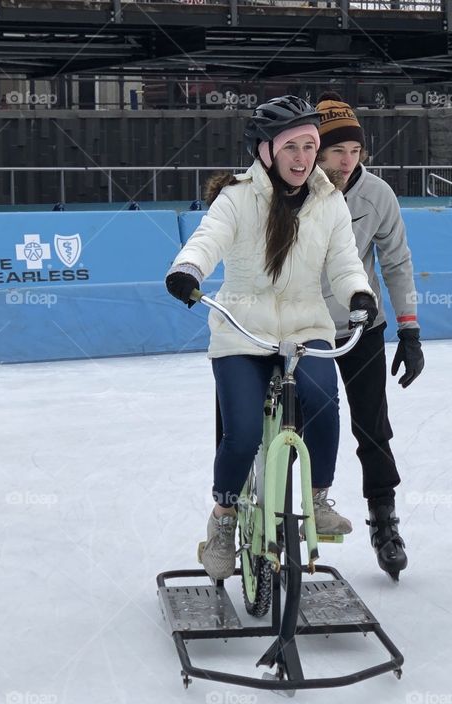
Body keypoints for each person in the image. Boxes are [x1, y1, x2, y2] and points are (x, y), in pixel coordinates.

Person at [164, 95, 377, 581]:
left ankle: (318, 499)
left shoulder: (329, 202)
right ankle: (223, 519)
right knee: (241, 432)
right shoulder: (237, 197)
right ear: (266, 151)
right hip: (243, 329)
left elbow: (345, 262)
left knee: (322, 401)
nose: (302, 158)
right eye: (291, 148)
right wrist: (188, 268)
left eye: (310, 146)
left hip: (306, 327)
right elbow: (208, 239)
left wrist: (359, 293)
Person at [314, 92, 424, 580]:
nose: (347, 161)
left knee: (372, 428)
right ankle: (285, 513)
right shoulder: (297, 189)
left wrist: (409, 330)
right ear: (316, 150)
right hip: (307, 329)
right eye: (337, 151)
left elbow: (397, 262)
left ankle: (384, 519)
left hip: (362, 327)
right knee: (305, 422)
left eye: (355, 151)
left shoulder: (377, 195)